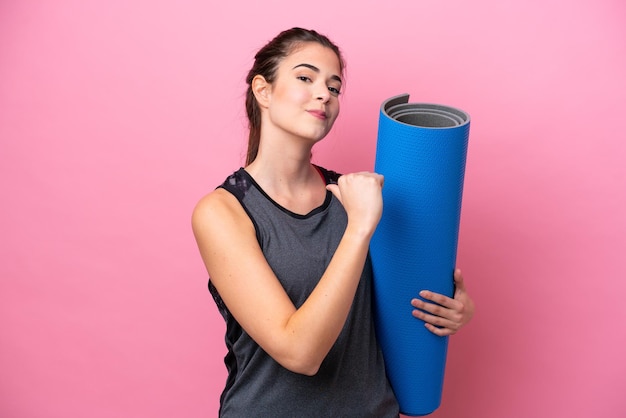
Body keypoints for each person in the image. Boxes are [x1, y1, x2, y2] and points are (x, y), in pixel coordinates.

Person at [192, 27, 475, 417]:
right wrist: (359, 228)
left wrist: (452, 309)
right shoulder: (224, 212)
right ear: (263, 91)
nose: (324, 93)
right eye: (305, 78)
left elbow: (393, 299)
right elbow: (299, 352)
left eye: (335, 86)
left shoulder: (356, 195)